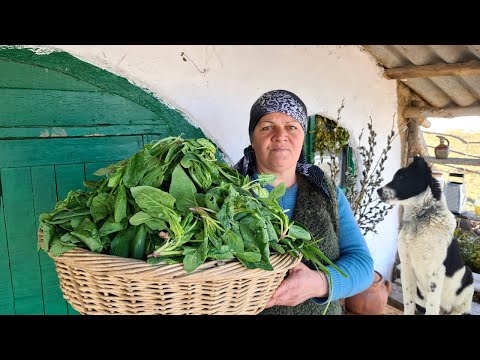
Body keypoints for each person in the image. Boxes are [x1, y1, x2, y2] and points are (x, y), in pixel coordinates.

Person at [234, 89, 374, 315]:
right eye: (267, 126)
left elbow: (363, 266)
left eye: (291, 126)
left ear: (302, 136)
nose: (280, 135)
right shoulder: (227, 191)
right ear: (252, 137)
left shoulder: (325, 191)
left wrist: (320, 283)